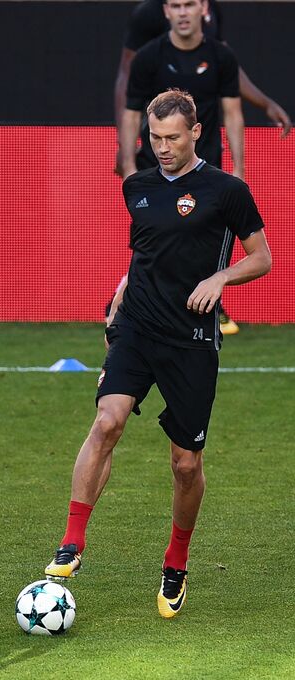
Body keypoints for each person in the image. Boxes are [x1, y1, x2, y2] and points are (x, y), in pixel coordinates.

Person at [45, 90, 271, 618]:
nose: (162, 147)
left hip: (191, 340)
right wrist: (118, 298)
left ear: (196, 132)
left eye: (172, 138)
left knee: (185, 463)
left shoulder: (227, 191)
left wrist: (221, 277)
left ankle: (176, 561)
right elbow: (145, 254)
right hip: (137, 328)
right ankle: (72, 542)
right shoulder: (137, 187)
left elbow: (262, 257)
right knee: (107, 421)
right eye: (155, 137)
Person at [114, 0, 291, 172]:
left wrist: (265, 103)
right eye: (176, 6)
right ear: (167, 10)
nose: (183, 12)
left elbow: (226, 68)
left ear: (203, 7)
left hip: (206, 154)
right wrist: (125, 148)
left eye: (189, 5)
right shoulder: (148, 16)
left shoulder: (213, 19)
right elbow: (126, 78)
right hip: (157, 157)